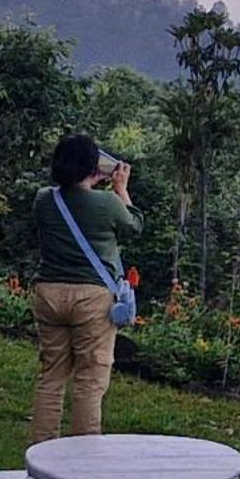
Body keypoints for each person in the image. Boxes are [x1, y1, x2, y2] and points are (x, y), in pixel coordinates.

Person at [29, 133, 142, 444]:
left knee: (51, 376)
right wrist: (120, 188)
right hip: (92, 299)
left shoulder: (43, 199)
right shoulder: (107, 203)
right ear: (94, 167)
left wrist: (89, 178)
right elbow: (134, 226)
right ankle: (83, 459)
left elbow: (69, 202)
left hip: (49, 293)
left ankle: (42, 452)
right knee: (90, 380)